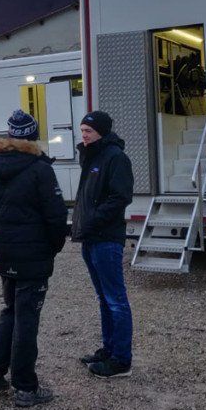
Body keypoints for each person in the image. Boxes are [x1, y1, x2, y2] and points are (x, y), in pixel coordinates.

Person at [0, 109, 68, 407]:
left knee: (11, 310)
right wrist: (51, 247)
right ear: (33, 136)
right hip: (34, 254)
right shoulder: (40, 168)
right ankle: (25, 387)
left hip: (7, 253)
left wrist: (1, 239)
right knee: (26, 318)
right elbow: (56, 216)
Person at [72, 110, 135, 379]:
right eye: (82, 131)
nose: (83, 135)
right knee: (104, 300)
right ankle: (109, 349)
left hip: (106, 239)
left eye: (88, 131)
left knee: (116, 300)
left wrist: (93, 220)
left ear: (102, 132)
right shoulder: (92, 156)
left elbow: (120, 197)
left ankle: (122, 360)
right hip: (91, 237)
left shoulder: (115, 158)